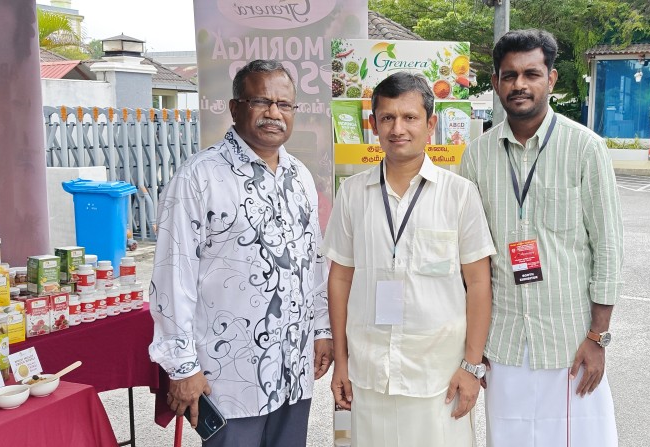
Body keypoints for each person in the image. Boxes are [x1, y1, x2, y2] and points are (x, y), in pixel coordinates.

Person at [149, 59, 333, 446]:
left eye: (284, 104)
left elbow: (313, 263)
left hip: (293, 372)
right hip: (229, 380)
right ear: (235, 108)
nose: (274, 113)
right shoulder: (199, 177)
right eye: (261, 101)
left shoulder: (300, 176)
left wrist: (321, 330)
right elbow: (172, 278)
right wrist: (182, 367)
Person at [461, 29, 622, 447]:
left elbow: (607, 248)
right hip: (503, 342)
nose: (519, 84)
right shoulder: (476, 156)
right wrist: (473, 347)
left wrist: (598, 337)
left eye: (531, 74)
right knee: (509, 437)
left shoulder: (585, 148)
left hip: (570, 341)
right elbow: (470, 258)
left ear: (550, 79)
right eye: (509, 75)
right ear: (495, 82)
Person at [323, 72, 495, 446]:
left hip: (439, 377)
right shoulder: (352, 193)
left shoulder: (459, 195)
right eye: (387, 118)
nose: (397, 128)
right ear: (374, 125)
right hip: (369, 374)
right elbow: (340, 278)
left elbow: (479, 282)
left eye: (409, 117)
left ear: (430, 125)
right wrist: (342, 361)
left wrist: (471, 366)